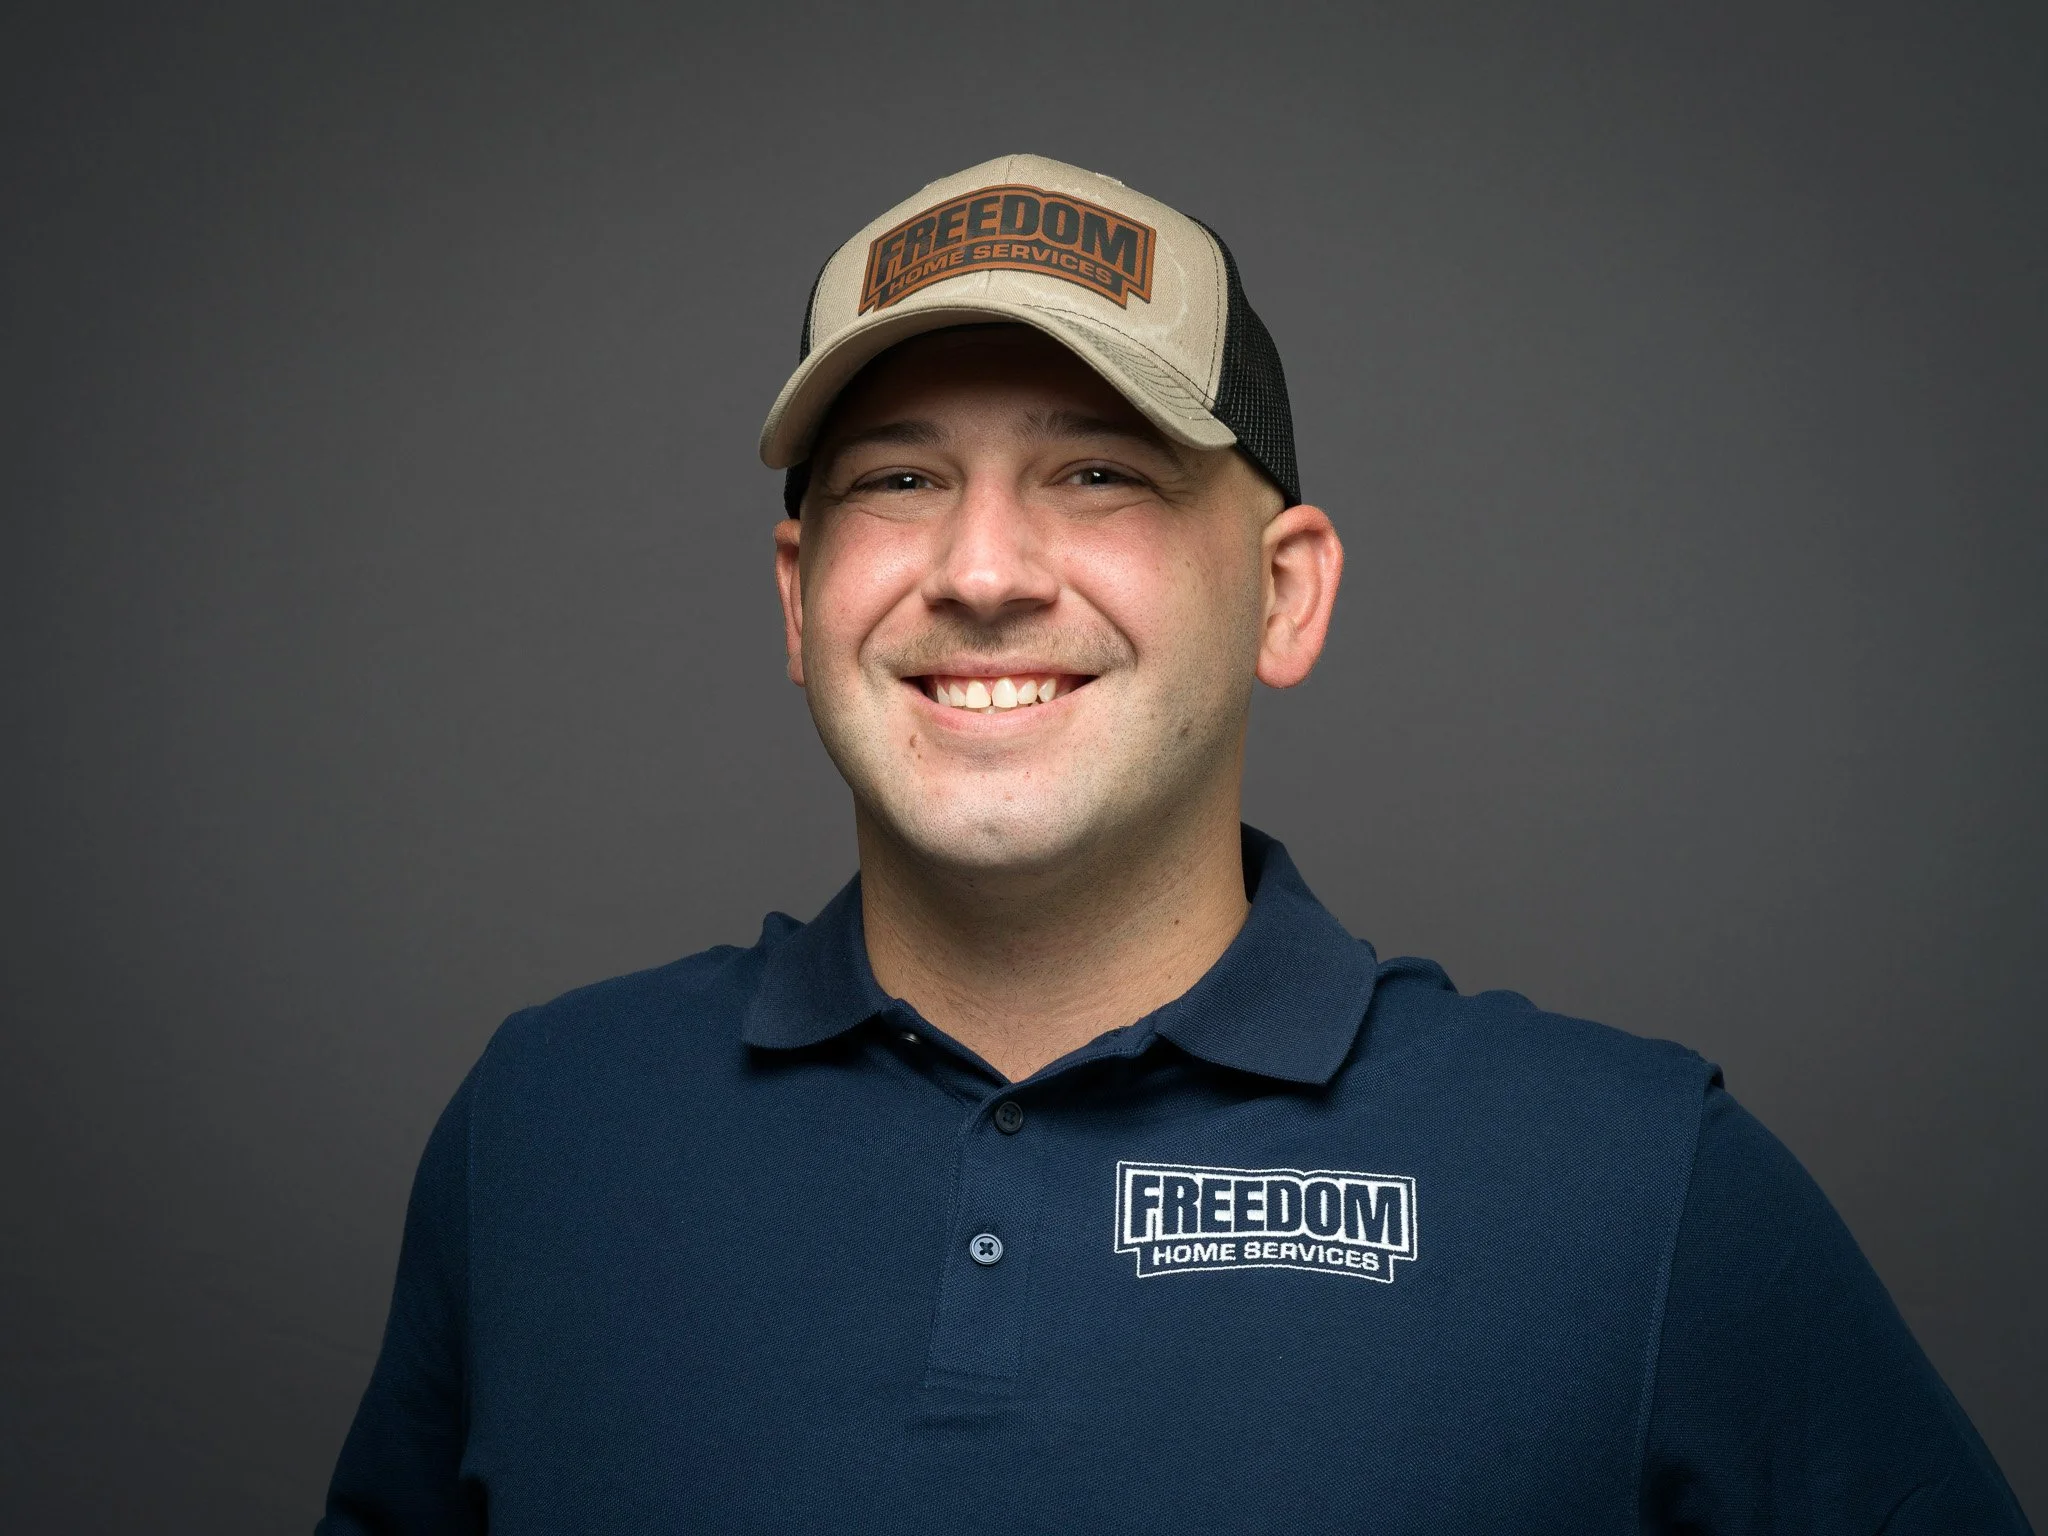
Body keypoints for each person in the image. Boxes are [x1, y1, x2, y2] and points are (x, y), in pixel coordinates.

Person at [321, 155, 2031, 1534]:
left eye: (1101, 475)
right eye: (898, 480)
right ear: (797, 595)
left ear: (1284, 594)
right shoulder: (547, 1133)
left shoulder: (1638, 1187)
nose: (982, 570)